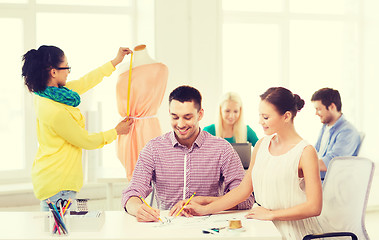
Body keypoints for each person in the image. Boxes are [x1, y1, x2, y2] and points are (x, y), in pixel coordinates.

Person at [185, 87, 323, 240]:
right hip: (264, 226)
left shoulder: (305, 152)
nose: (260, 122)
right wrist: (206, 209)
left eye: (265, 117)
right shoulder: (261, 145)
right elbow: (243, 190)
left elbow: (314, 207)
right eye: (260, 116)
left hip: (294, 232)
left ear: (286, 116)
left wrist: (271, 215)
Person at [21, 45, 134, 211]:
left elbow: (85, 81)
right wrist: (116, 131)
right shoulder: (54, 110)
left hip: (54, 181)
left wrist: (115, 61)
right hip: (58, 186)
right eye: (67, 67)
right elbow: (85, 140)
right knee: (61, 235)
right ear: (53, 72)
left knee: (60, 235)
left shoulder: (51, 93)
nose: (68, 72)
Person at [121, 85, 254, 222]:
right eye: (175, 117)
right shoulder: (153, 149)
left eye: (187, 117)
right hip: (165, 228)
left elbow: (246, 200)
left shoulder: (222, 149)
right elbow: (132, 193)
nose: (181, 124)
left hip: (209, 229)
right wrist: (137, 208)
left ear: (200, 114)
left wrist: (206, 203)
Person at [116, 44, 168, 181]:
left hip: (148, 128)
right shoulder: (123, 68)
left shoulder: (160, 69)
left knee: (152, 175)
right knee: (133, 181)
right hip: (127, 127)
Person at [311, 88, 361, 180]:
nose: (316, 113)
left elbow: (333, 162)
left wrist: (304, 165)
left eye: (318, 109)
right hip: (318, 178)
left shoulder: (348, 132)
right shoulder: (326, 127)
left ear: (332, 107)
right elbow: (315, 151)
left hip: (330, 183)